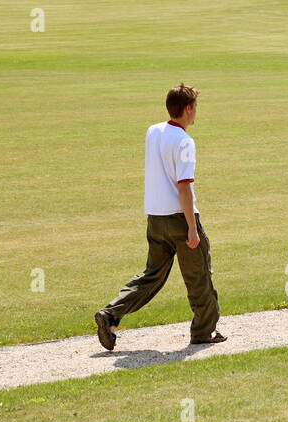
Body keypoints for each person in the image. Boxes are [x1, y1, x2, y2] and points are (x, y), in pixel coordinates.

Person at [95, 83, 226, 351]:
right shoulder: (185, 141)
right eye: (196, 108)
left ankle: (111, 314)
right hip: (179, 218)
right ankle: (204, 331)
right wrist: (192, 227)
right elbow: (184, 186)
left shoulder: (152, 132)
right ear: (188, 109)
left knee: (151, 276)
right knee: (199, 275)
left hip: (155, 218)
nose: (196, 113)